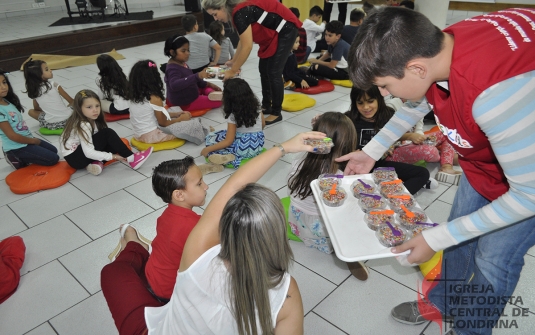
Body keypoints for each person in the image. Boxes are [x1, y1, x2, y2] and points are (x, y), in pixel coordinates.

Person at [341, 7, 535, 334]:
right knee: (459, 235)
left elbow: (528, 196)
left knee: (493, 259)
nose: (385, 95)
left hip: (527, 178)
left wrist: (435, 237)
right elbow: (420, 100)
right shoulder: (439, 46)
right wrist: (371, 152)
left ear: (415, 68)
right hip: (487, 162)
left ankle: (469, 330)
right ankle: (443, 302)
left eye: (386, 86)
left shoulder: (493, 95)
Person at [101, 132, 327, 335]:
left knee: (112, 272)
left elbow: (234, 184)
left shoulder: (197, 254)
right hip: (162, 295)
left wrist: (284, 146)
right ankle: (134, 243)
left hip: (159, 319)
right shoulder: (287, 293)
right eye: (200, 183)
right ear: (277, 236)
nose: (206, 187)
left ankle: (132, 242)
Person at [287, 112, 369, 280]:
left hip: (297, 222)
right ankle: (341, 249)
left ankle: (328, 244)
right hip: (322, 230)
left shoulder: (299, 160)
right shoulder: (340, 175)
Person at [202, 0, 302, 125]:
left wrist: (232, 71)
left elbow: (247, 46)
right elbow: (242, 41)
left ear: (222, 7)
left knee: (273, 72)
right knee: (263, 69)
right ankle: (267, 105)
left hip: (286, 29)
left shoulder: (239, 12)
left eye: (215, 14)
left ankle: (276, 112)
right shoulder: (236, 13)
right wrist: (234, 61)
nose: (215, 18)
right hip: (276, 30)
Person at [345, 86, 434, 194]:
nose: (366, 107)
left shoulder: (388, 114)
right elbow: (340, 146)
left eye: (370, 101)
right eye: (360, 103)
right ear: (354, 103)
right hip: (356, 166)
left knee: (422, 173)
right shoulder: (348, 120)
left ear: (379, 99)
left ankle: (394, 199)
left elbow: (393, 136)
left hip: (379, 165)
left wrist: (389, 145)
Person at [143, 158, 207, 302]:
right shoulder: (193, 227)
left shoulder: (166, 215)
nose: (206, 186)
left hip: (153, 277)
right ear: (179, 195)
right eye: (199, 183)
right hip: (170, 292)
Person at [60, 90, 153, 176]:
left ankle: (97, 163)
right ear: (79, 108)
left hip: (78, 155)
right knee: (108, 133)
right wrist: (113, 156)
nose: (95, 110)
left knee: (113, 142)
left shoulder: (90, 118)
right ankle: (132, 159)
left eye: (97, 106)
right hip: (75, 158)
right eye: (89, 107)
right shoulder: (83, 124)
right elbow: (88, 152)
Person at [129, 59, 209, 146]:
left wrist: (176, 114)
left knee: (174, 109)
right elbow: (163, 123)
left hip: (139, 134)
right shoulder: (154, 98)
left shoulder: (135, 95)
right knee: (193, 124)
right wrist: (180, 119)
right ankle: (200, 127)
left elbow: (154, 114)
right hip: (152, 135)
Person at [0, 69, 59, 170]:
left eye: (4, 82)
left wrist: (32, 140)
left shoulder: (6, 100)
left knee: (54, 150)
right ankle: (13, 156)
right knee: (53, 159)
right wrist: (34, 141)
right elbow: (12, 136)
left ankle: (28, 152)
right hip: (16, 147)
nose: (3, 87)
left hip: (26, 139)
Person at [201, 78, 265, 169]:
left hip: (241, 149)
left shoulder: (233, 115)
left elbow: (228, 141)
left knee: (211, 139)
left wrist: (207, 149)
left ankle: (227, 157)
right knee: (222, 135)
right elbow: (263, 125)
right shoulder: (257, 107)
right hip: (257, 145)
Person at [384, 116, 462, 184]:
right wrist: (409, 136)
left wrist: (422, 138)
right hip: (394, 151)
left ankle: (446, 166)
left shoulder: (418, 106)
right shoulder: (393, 105)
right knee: (431, 152)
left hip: (409, 143)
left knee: (448, 133)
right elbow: (388, 136)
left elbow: (419, 129)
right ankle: (445, 156)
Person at [163, 35, 222, 111]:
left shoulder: (181, 63)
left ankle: (211, 94)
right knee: (219, 102)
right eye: (183, 51)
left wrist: (209, 84)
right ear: (172, 52)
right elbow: (174, 85)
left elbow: (191, 78)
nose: (187, 53)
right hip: (185, 102)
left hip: (190, 92)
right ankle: (214, 96)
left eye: (188, 50)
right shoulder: (172, 69)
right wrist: (197, 76)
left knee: (204, 86)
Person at [23, 59, 73, 130]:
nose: (50, 70)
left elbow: (36, 109)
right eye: (46, 69)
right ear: (38, 75)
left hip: (51, 124)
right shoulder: (54, 84)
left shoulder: (34, 90)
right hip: (68, 120)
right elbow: (71, 101)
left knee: (30, 112)